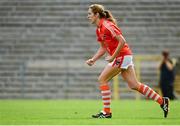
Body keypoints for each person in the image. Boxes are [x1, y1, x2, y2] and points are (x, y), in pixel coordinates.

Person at [86, 4, 169, 118]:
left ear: (96, 14)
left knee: (102, 79)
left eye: (90, 14)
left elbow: (122, 41)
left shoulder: (107, 25)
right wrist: (93, 59)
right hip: (124, 57)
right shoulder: (99, 29)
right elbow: (103, 48)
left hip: (122, 56)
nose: (88, 16)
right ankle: (162, 101)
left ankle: (107, 112)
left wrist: (112, 57)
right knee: (134, 85)